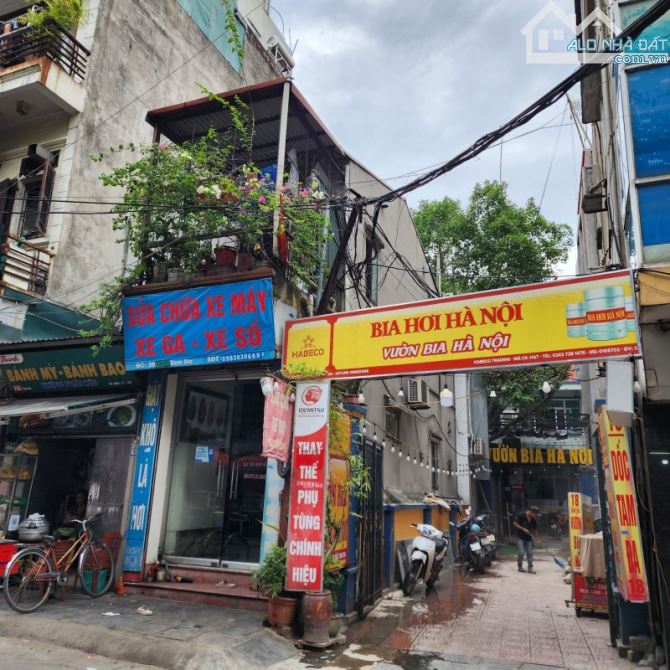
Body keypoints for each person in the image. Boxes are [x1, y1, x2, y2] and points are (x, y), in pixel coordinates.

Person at [513, 506, 539, 573]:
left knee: (530, 553)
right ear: (531, 512)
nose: (535, 516)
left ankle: (530, 568)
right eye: (535, 514)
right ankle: (520, 567)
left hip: (528, 538)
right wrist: (523, 529)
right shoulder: (521, 515)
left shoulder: (533, 519)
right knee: (521, 552)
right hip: (520, 537)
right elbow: (515, 523)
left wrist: (537, 538)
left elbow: (535, 529)